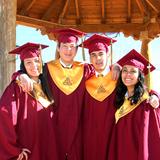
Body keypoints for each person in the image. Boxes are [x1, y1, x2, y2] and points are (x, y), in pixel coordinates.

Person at [81, 34, 159, 160]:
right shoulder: (84, 79)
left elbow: (141, 90)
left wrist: (155, 95)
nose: (98, 58)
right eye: (93, 55)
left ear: (108, 55)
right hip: (92, 140)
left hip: (116, 138)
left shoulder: (118, 78)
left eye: (101, 53)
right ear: (89, 58)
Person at [0, 43, 58, 160]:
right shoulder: (18, 87)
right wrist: (14, 149)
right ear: (23, 66)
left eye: (36, 61)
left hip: (49, 146)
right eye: (28, 62)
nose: (34, 65)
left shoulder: (48, 84)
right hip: (29, 148)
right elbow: (4, 115)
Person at [108, 49, 160, 160]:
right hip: (120, 151)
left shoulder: (146, 103)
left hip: (136, 153)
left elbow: (149, 136)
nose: (127, 74)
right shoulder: (119, 98)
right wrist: (115, 66)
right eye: (125, 70)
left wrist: (156, 95)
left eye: (133, 71)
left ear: (140, 75)